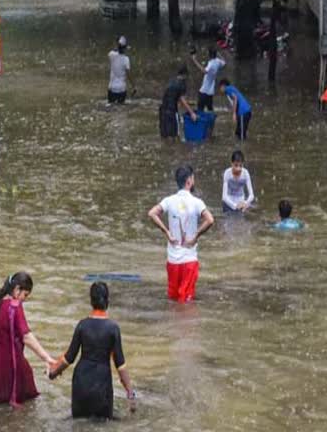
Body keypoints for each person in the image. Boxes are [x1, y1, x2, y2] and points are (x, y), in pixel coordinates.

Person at [48, 282, 136, 419]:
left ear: (91, 301)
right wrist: (130, 393)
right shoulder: (113, 328)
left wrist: (53, 372)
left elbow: (69, 358)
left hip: (80, 383)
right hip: (102, 383)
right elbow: (120, 365)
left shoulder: (82, 325)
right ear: (107, 301)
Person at [0, 272, 55, 407]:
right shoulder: (14, 306)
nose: (24, 299)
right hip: (10, 367)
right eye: (25, 295)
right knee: (27, 403)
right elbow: (26, 336)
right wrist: (48, 359)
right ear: (17, 289)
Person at [148, 166, 215, 302]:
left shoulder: (169, 200)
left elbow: (152, 213)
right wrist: (195, 236)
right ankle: (185, 323)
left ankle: (173, 322)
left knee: (173, 299)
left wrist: (166, 232)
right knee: (186, 302)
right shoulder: (197, 203)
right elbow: (210, 220)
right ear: (189, 181)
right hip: (189, 260)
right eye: (193, 178)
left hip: (173, 260)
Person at [159, 66, 197, 139]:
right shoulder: (182, 84)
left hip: (163, 110)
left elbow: (173, 96)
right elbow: (182, 100)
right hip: (172, 112)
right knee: (175, 135)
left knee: (165, 135)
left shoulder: (172, 81)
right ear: (185, 75)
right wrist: (192, 113)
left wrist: (188, 103)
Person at [190, 47, 226, 112]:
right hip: (211, 91)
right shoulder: (218, 61)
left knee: (200, 109)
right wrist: (219, 54)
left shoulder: (211, 63)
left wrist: (194, 60)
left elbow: (204, 71)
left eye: (208, 53)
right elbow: (224, 62)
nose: (207, 54)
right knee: (210, 110)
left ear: (211, 55)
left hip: (204, 91)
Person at [107, 36, 134, 104]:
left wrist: (118, 46)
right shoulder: (126, 59)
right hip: (121, 89)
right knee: (121, 107)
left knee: (111, 107)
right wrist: (134, 86)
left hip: (112, 88)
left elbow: (114, 50)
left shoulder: (111, 55)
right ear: (125, 49)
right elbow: (128, 75)